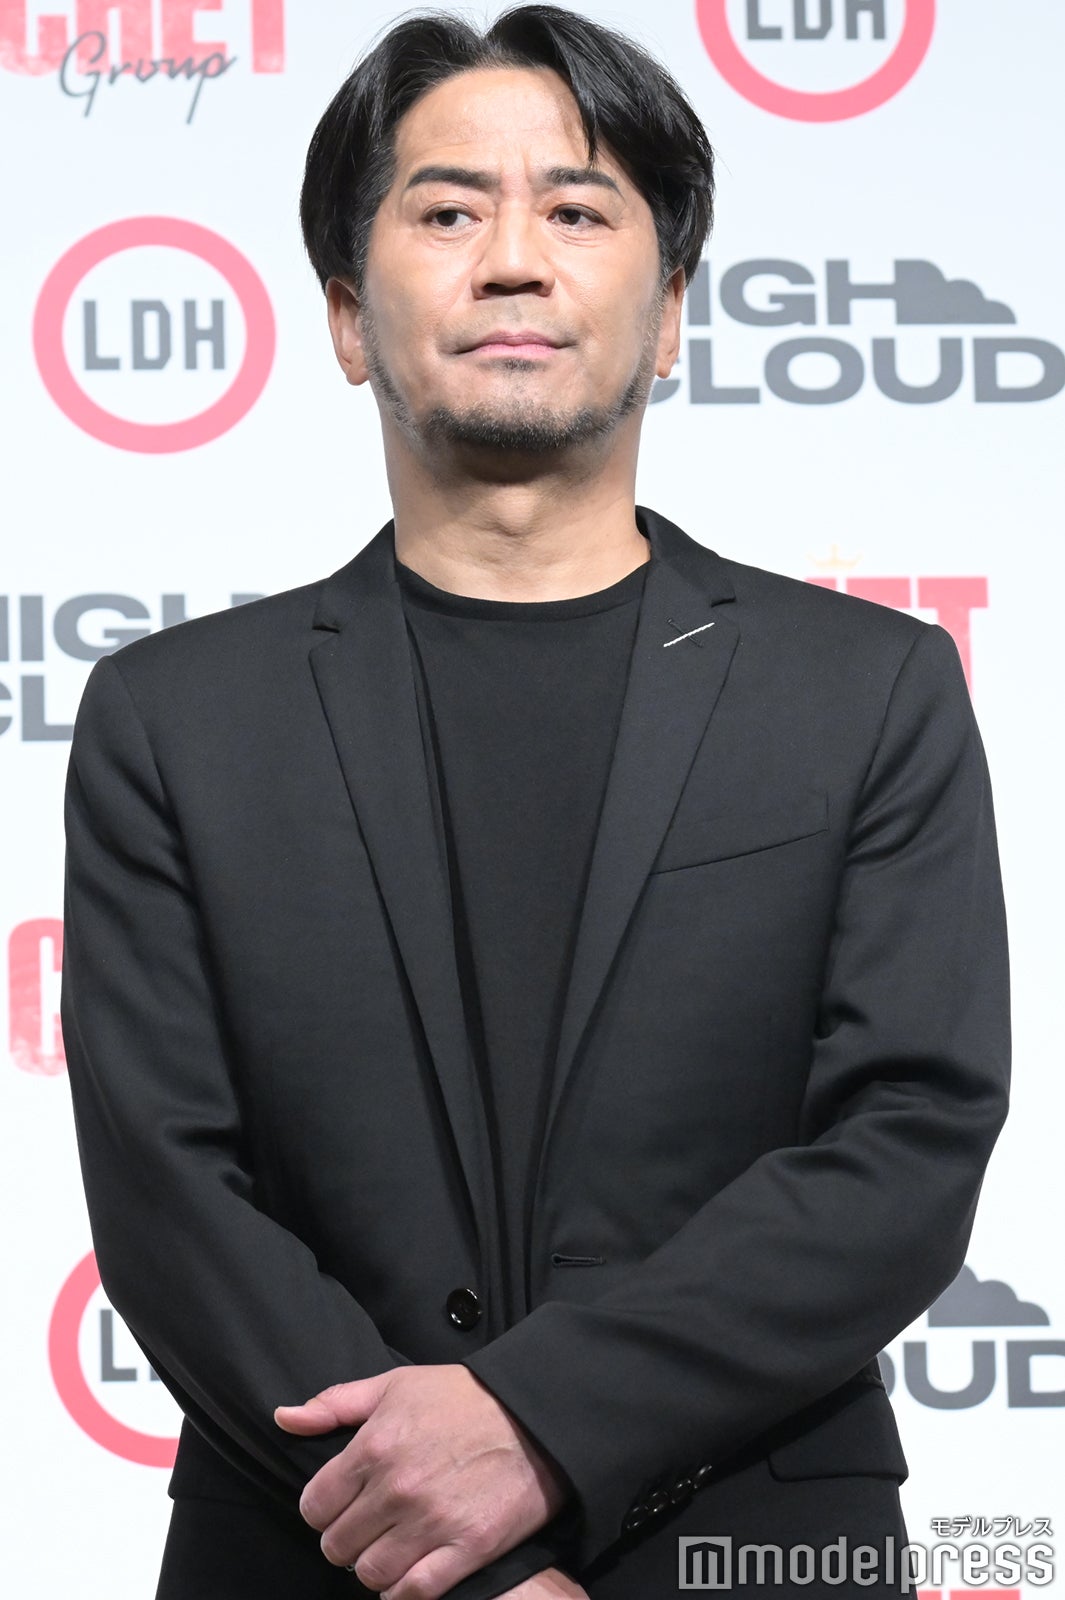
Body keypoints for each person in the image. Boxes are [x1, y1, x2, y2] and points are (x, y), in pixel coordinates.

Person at [60, 6, 1011, 1599]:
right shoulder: (174, 718)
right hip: (315, 1542)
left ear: (669, 312)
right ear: (349, 315)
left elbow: (906, 1142)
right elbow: (168, 1188)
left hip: (749, 1541)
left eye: (576, 210)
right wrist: (441, 1537)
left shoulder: (867, 689)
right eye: (447, 213)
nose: (512, 261)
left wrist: (537, 1429)